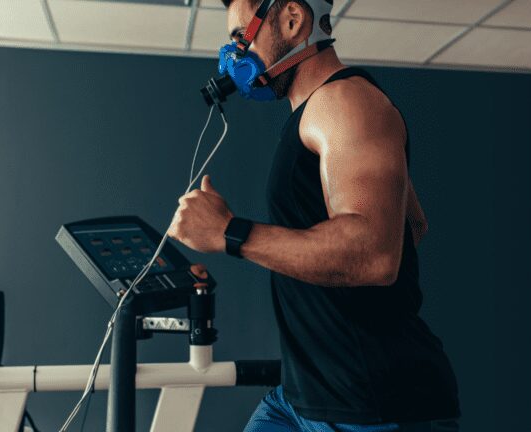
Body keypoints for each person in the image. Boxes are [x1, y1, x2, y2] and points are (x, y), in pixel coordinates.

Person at [166, 1, 461, 430]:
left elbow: (376, 254)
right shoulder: (313, 113)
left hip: (371, 404)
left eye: (239, 38)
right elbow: (411, 226)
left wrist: (230, 233)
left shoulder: (345, 102)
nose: (233, 56)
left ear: (292, 19)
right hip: (304, 395)